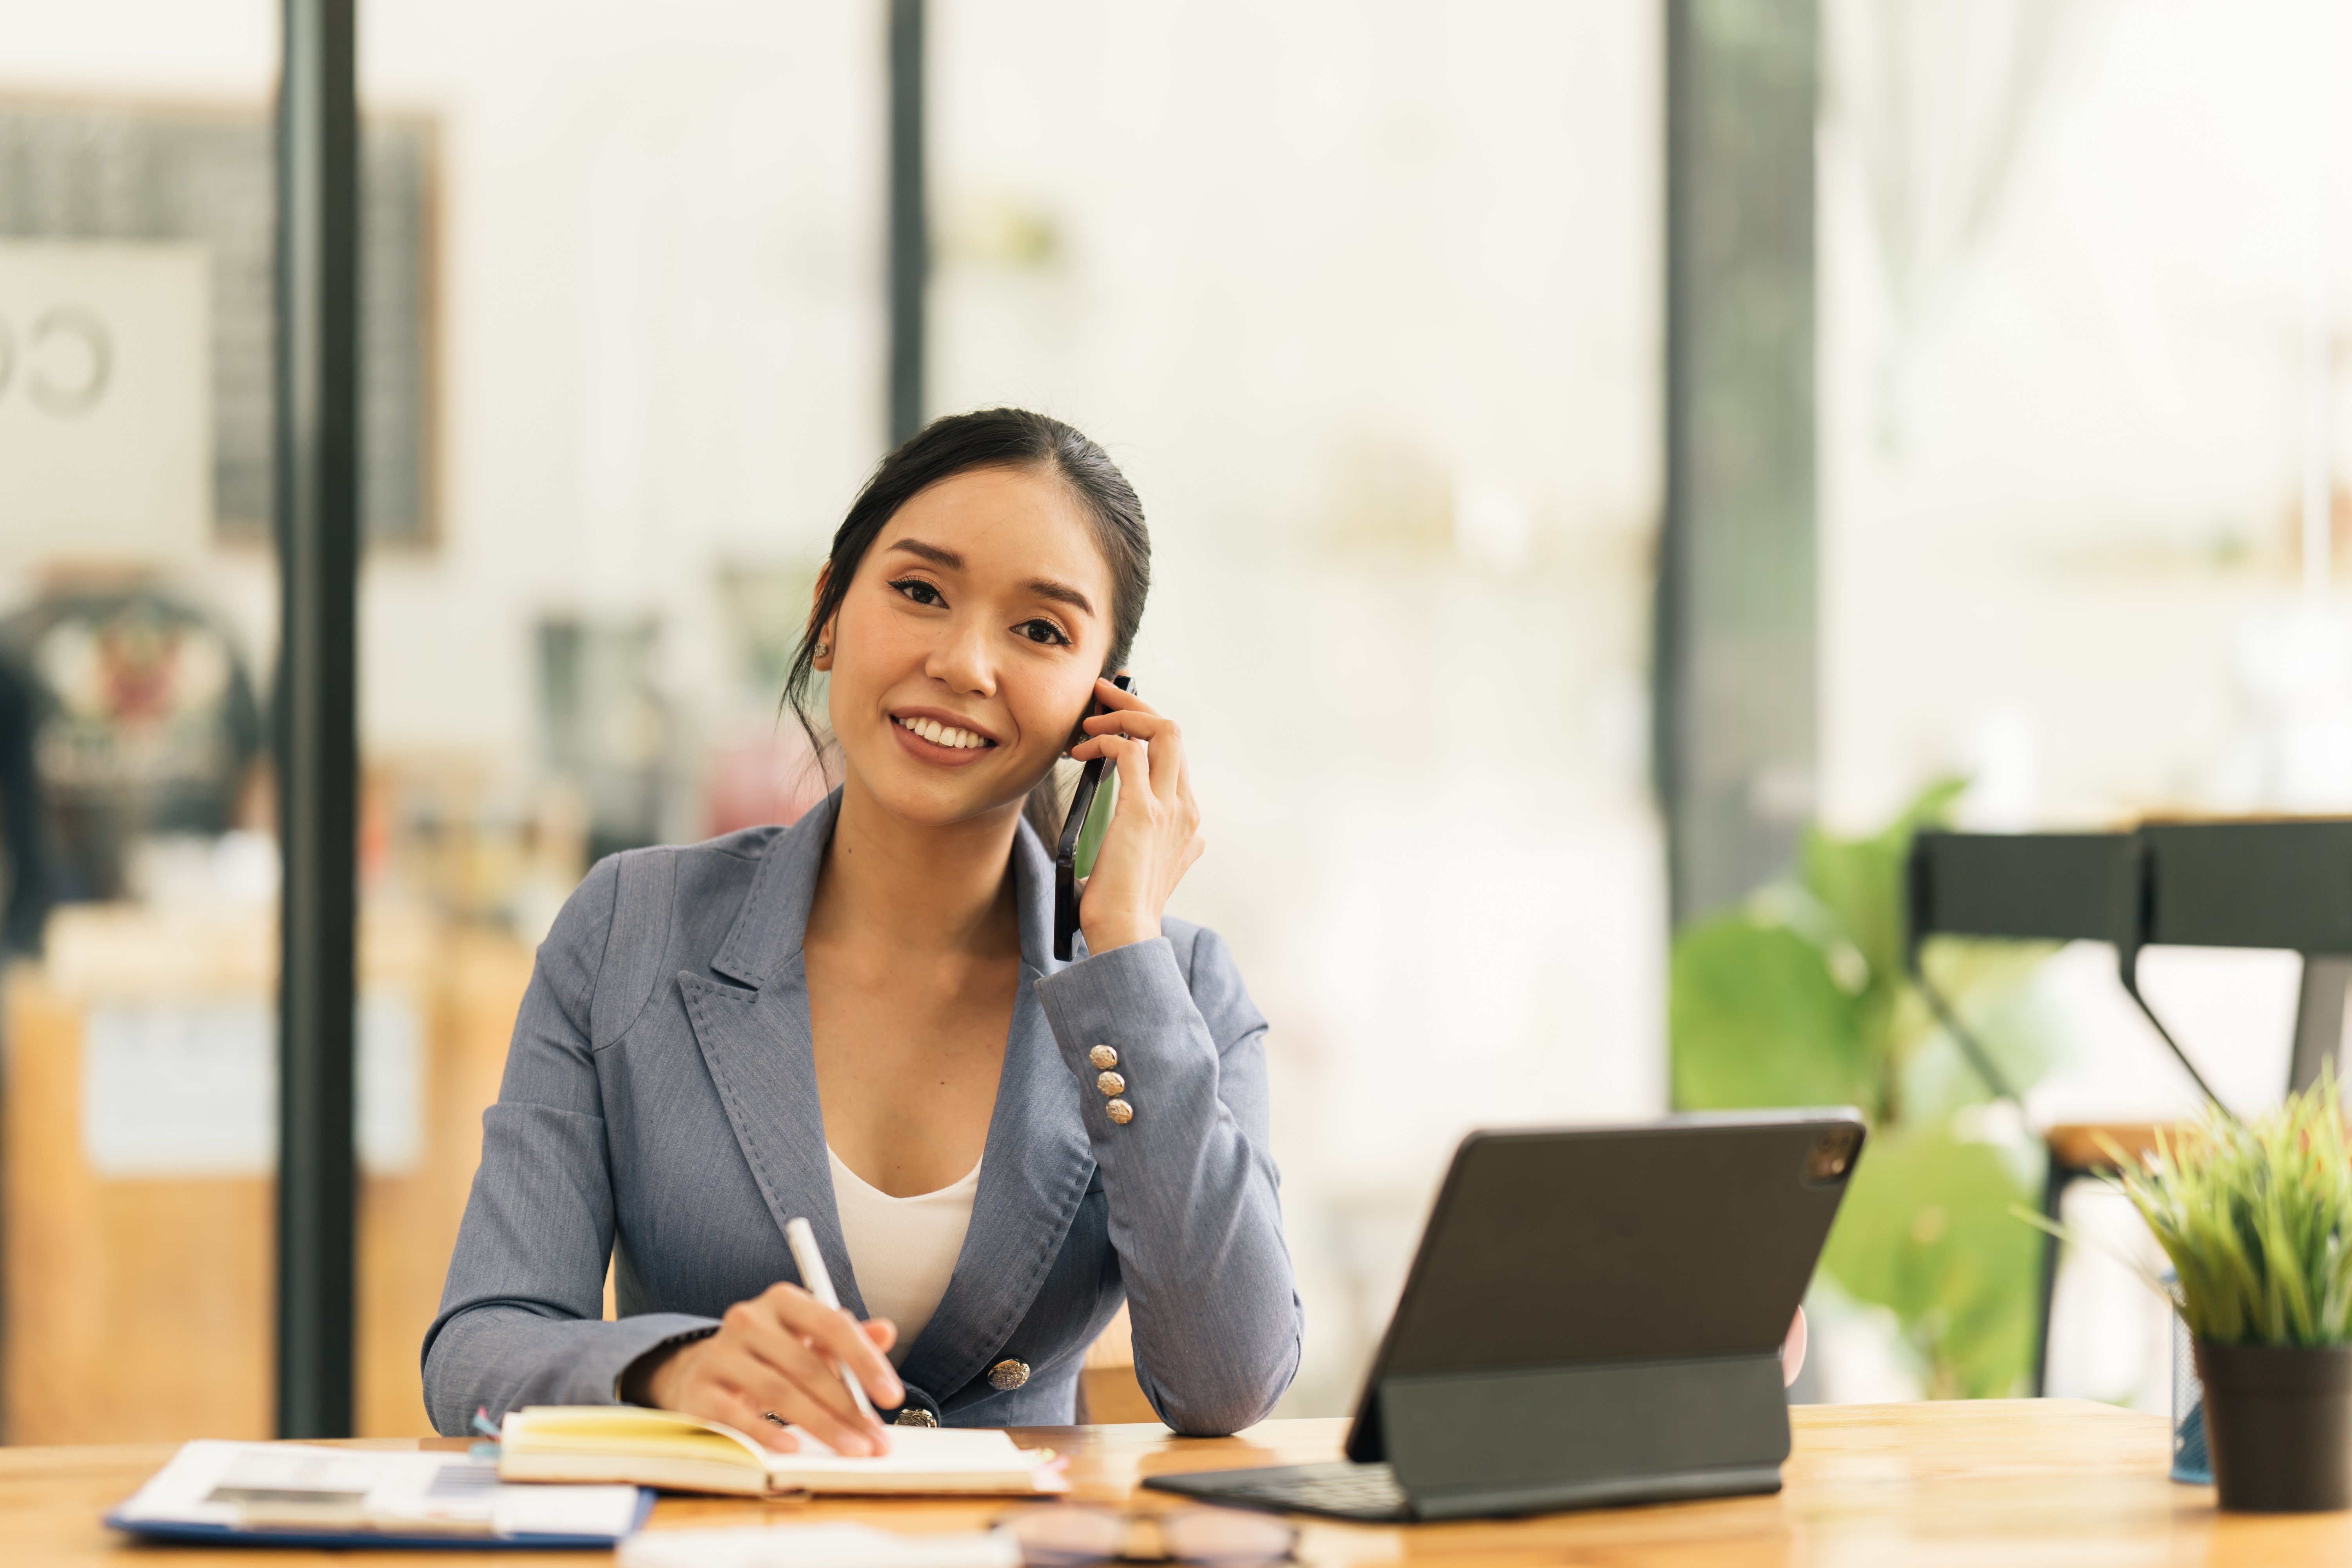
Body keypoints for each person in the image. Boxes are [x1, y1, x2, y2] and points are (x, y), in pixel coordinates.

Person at [425, 410, 1300, 1451]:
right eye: (920, 592)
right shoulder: (629, 929)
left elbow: (1230, 1384)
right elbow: (475, 1358)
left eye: (1041, 631)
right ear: (829, 612)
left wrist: (1120, 950)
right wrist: (671, 1368)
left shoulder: (1177, 988)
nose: (966, 663)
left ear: (1101, 707)